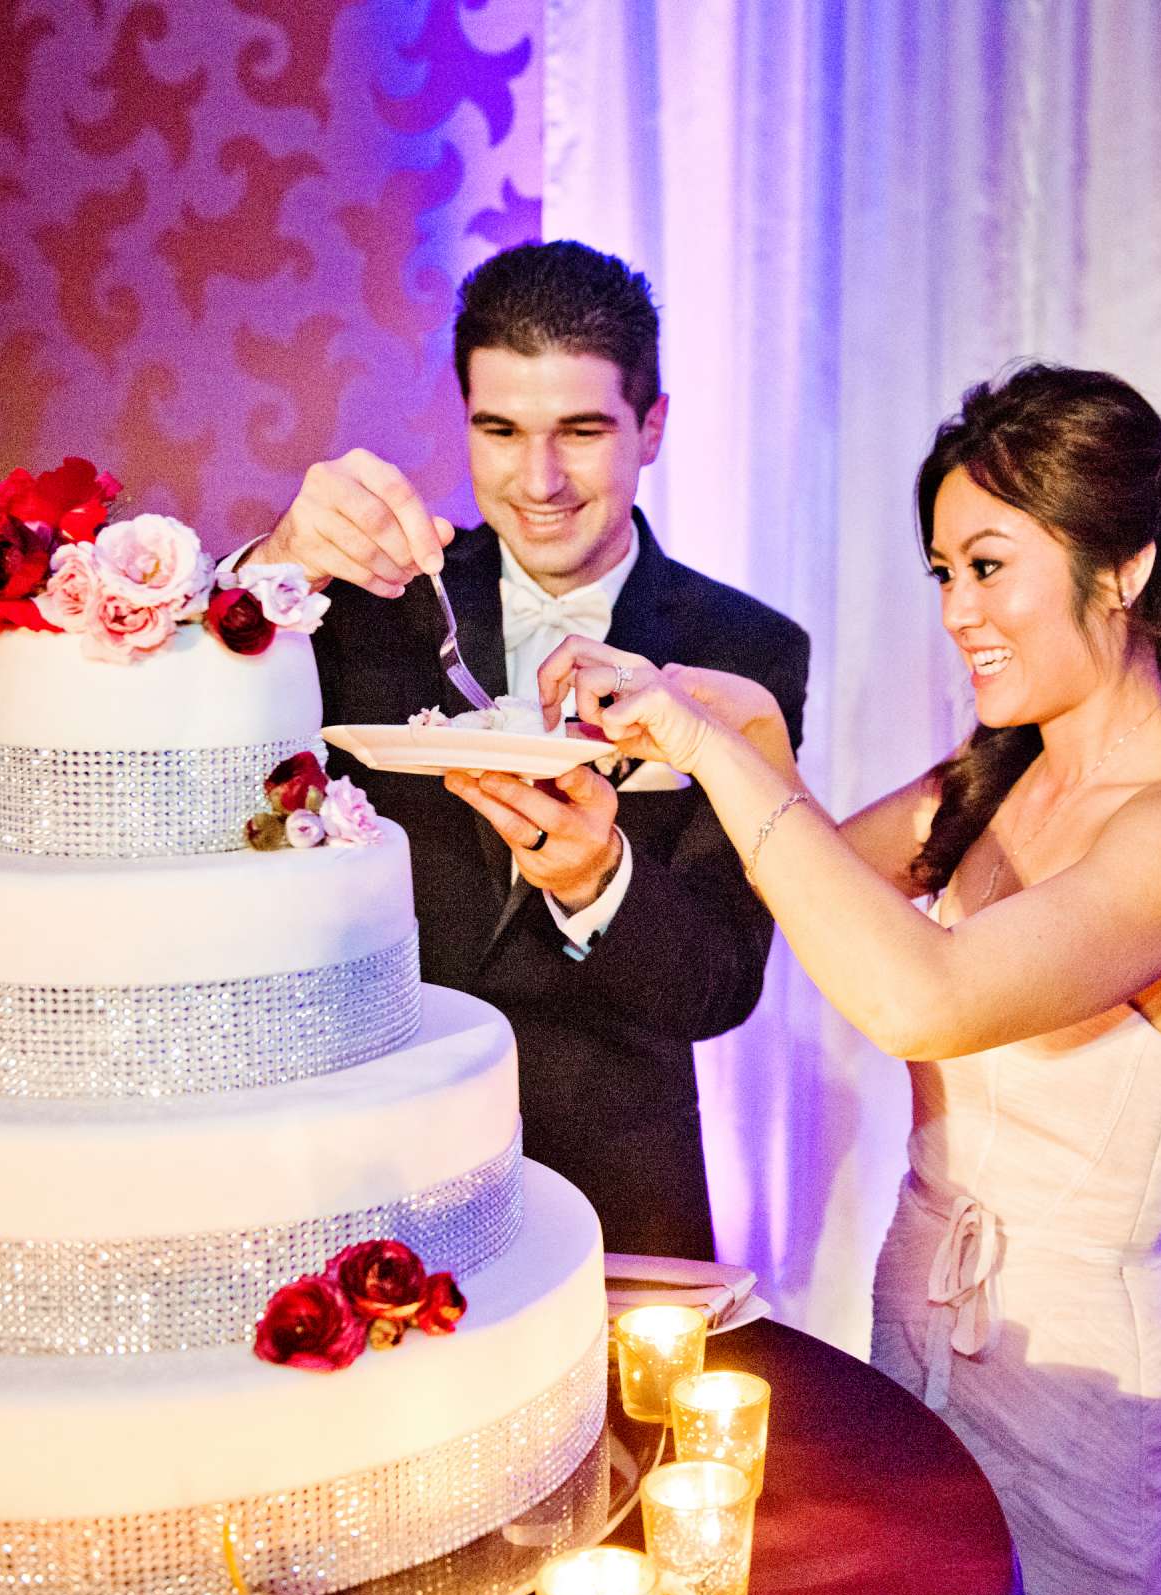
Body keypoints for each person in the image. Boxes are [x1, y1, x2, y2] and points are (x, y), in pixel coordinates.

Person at [536, 363, 1161, 1595]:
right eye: (943, 574)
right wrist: (739, 745)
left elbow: (921, 993)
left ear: (1125, 568)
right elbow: (807, 883)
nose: (957, 610)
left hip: (1088, 1384)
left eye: (989, 566)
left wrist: (715, 749)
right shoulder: (988, 779)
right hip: (915, 1308)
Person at [250, 241, 809, 1261]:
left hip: (623, 1189)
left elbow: (722, 983)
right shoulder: (368, 610)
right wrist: (272, 570)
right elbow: (213, 766)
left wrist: (601, 877)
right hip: (381, 1179)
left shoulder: (747, 652)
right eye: (500, 430)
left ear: (653, 428)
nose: (538, 479)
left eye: (582, 431)